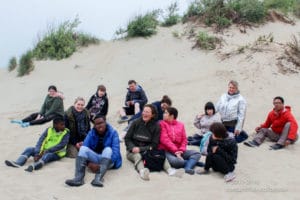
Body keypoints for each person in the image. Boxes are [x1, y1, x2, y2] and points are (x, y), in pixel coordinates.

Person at [125, 104, 182, 181]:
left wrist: (141, 149)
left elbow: (155, 144)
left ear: (153, 115)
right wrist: (132, 148)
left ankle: (169, 170)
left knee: (160, 154)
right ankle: (142, 171)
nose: (144, 114)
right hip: (133, 151)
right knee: (137, 156)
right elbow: (127, 138)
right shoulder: (135, 123)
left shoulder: (156, 126)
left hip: (147, 149)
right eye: (144, 111)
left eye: (147, 112)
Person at [65, 115, 122, 187]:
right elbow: (85, 146)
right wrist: (89, 164)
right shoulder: (91, 133)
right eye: (97, 124)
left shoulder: (113, 133)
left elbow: (115, 154)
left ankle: (98, 179)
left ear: (105, 122)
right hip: (97, 158)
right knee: (83, 148)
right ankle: (78, 178)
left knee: (108, 149)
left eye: (101, 123)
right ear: (94, 125)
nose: (99, 125)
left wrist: (101, 166)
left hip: (109, 161)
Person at [5, 117, 69, 172]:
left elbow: (61, 146)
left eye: (64, 124)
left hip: (56, 153)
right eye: (61, 125)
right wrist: (37, 153)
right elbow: (40, 141)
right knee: (29, 149)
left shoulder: (66, 133)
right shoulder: (49, 130)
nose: (64, 126)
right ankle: (18, 163)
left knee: (48, 155)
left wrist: (44, 152)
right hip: (43, 150)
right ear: (55, 125)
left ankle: (34, 166)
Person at [159, 107, 201, 175]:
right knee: (177, 162)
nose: (163, 114)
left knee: (197, 154)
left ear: (172, 116)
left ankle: (187, 168)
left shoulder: (181, 125)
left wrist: (180, 151)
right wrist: (176, 151)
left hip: (180, 151)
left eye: (166, 113)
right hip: (167, 150)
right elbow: (164, 139)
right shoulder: (162, 124)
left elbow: (184, 140)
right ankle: (192, 162)